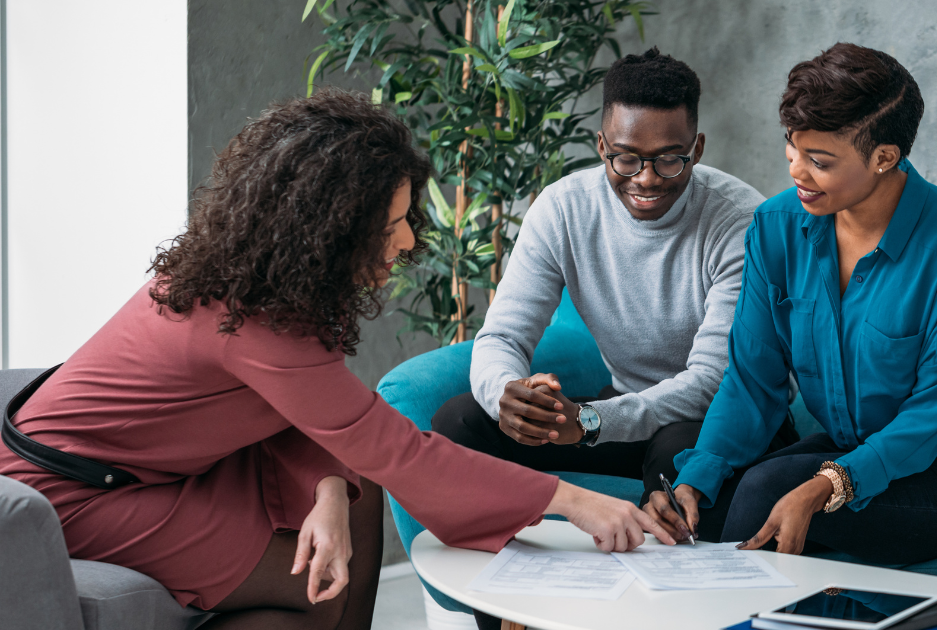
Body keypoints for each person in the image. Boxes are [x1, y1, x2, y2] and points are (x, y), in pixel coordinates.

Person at [0, 88, 673, 630]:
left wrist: (325, 487)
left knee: (352, 494)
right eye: (391, 226)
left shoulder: (258, 283)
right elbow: (398, 450)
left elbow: (314, 421)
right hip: (74, 493)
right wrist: (571, 500)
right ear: (328, 232)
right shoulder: (254, 324)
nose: (409, 240)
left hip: (148, 467)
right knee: (316, 589)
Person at [645, 43, 937, 564]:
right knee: (686, 485)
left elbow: (932, 411)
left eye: (819, 161)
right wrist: (695, 478)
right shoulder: (777, 226)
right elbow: (752, 380)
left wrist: (827, 484)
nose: (796, 172)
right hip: (850, 448)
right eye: (791, 148)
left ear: (884, 157)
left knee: (767, 490)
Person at [431, 48, 799, 543]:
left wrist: (589, 421)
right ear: (601, 145)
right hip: (623, 411)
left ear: (698, 147)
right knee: (458, 424)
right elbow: (502, 334)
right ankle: (511, 615)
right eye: (627, 157)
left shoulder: (740, 222)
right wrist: (506, 396)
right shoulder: (563, 209)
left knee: (678, 458)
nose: (646, 178)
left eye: (670, 159)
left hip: (721, 423)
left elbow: (715, 380)